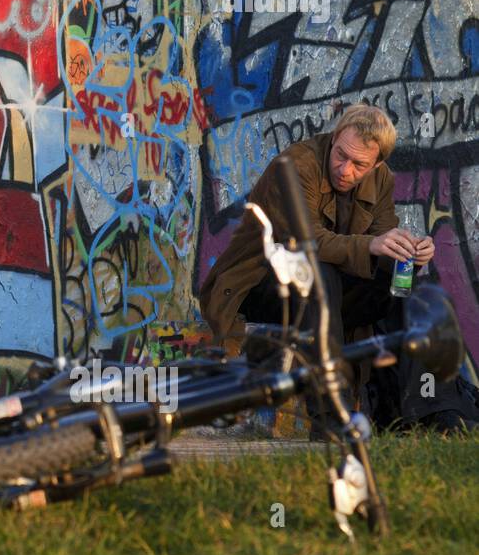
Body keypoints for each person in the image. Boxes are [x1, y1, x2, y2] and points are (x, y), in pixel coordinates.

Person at [199, 104, 473, 433]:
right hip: (256, 285)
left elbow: (380, 240)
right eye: (341, 154)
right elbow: (306, 242)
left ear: (377, 164)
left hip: (327, 289)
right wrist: (371, 245)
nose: (345, 169)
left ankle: (425, 412)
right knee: (319, 274)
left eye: (359, 164)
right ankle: (331, 420)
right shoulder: (296, 165)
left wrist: (408, 252)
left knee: (403, 289)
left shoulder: (380, 178)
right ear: (334, 139)